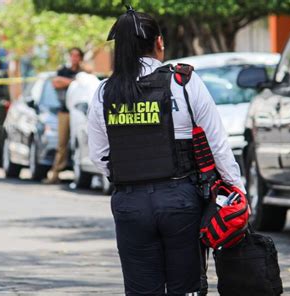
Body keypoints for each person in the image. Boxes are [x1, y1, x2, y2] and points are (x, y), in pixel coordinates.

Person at [87, 6, 244, 295]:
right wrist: (237, 190)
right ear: (159, 42)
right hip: (180, 201)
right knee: (187, 289)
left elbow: (99, 155)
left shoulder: (103, 92)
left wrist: (131, 178)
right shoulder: (182, 82)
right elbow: (217, 142)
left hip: (130, 204)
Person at [44, 47, 84, 184]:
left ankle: (80, 174)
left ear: (81, 57)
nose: (74, 58)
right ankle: (55, 174)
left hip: (81, 112)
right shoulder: (64, 71)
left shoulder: (83, 72)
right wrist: (74, 82)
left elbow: (88, 82)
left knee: (81, 142)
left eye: (77, 55)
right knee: (62, 144)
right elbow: (56, 82)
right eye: (72, 55)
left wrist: (72, 81)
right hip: (65, 112)